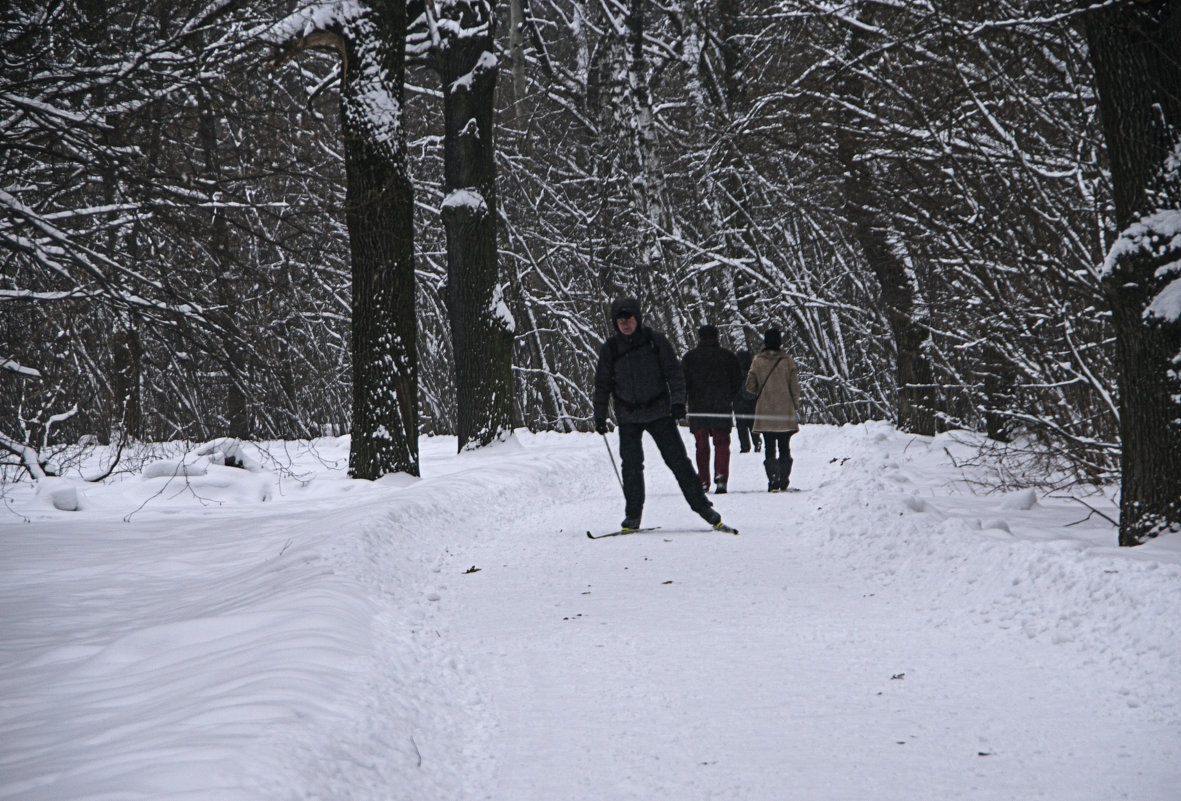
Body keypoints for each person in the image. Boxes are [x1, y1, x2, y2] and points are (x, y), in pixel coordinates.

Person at [593, 297, 727, 531]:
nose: (625, 323)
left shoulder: (656, 341)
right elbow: (602, 384)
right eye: (620, 320)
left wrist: (678, 403)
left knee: (679, 462)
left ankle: (703, 507)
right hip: (628, 415)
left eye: (629, 318)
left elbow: (674, 374)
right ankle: (633, 516)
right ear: (615, 323)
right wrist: (599, 415)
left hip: (659, 412)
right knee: (632, 467)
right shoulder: (610, 349)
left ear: (638, 319)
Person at [682, 324, 743, 494]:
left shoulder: (690, 358)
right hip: (721, 405)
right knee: (722, 442)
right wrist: (728, 397)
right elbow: (737, 381)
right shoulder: (728, 357)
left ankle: (702, 480)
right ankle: (721, 476)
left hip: (698, 407)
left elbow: (682, 384)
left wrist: (683, 402)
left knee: (701, 445)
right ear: (717, 337)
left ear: (699, 338)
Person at [744, 327, 801, 492]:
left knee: (769, 447)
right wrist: (793, 405)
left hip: (765, 411)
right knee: (785, 447)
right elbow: (795, 387)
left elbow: (750, 386)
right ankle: (783, 478)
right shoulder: (787, 361)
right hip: (785, 411)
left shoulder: (757, 361)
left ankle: (773, 479)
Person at [733, 348, 759, 454]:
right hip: (752, 401)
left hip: (738, 401)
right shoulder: (753, 370)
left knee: (741, 425)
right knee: (753, 423)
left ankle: (745, 446)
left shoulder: (734, 371)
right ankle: (756, 441)